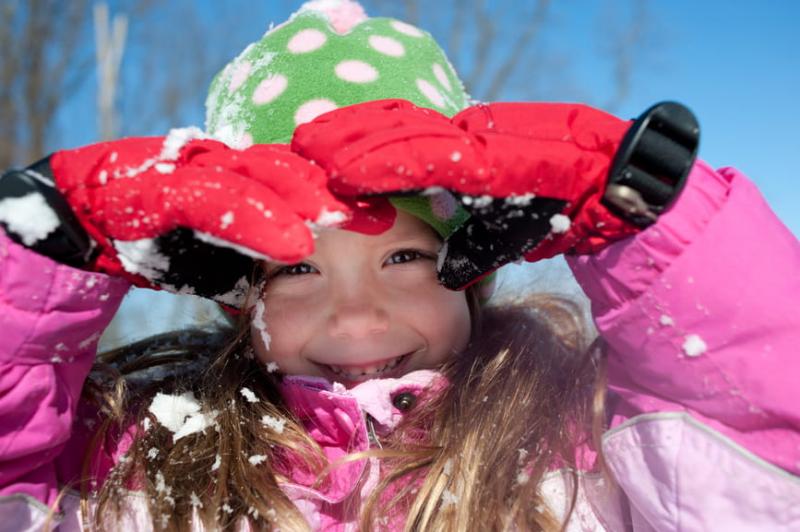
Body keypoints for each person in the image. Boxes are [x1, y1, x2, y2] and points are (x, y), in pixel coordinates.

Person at [1, 1, 798, 530]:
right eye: (299, 270)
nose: (356, 317)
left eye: (405, 256)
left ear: (474, 266)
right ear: (236, 292)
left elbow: (769, 452)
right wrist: (34, 273)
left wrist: (659, 228)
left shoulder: (585, 438)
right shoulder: (126, 455)